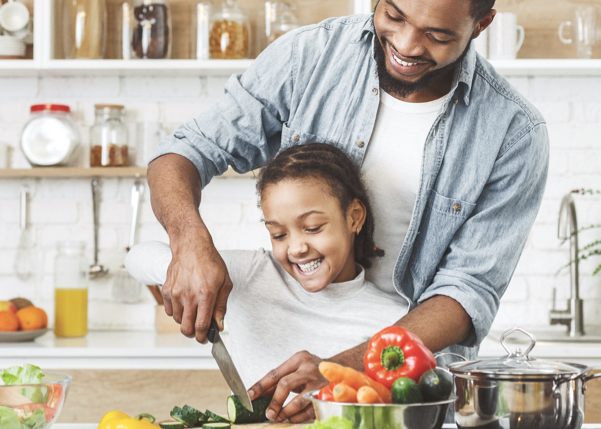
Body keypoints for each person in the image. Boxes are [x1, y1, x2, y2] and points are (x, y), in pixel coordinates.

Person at [146, 0, 549, 423]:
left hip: (408, 389)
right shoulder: (310, 56)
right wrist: (188, 242)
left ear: (481, 24)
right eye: (394, 16)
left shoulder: (513, 132)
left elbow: (467, 291)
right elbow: (184, 152)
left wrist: (343, 369)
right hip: (296, 382)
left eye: (437, 35)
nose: (406, 45)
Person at [126, 144, 408, 389]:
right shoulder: (253, 274)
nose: (296, 248)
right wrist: (193, 267)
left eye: (312, 228)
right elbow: (136, 258)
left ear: (354, 217)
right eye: (279, 235)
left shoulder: (394, 320)